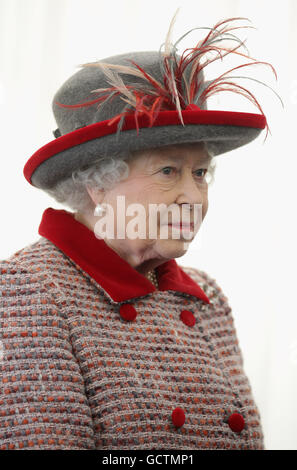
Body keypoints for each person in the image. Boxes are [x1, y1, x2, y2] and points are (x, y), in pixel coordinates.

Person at [0, 14, 279, 450]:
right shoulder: (29, 291)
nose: (194, 196)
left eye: (201, 172)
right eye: (169, 171)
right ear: (98, 183)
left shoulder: (207, 298)